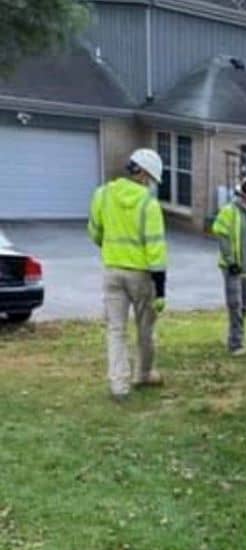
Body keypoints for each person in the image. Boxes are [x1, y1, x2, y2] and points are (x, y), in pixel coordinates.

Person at [88, 148, 167, 401]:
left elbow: (95, 231)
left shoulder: (103, 194)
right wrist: (161, 288)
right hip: (141, 276)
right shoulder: (148, 204)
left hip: (112, 271)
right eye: (152, 178)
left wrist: (110, 249)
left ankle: (118, 386)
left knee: (116, 330)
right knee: (145, 328)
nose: (151, 184)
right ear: (143, 175)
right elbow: (155, 248)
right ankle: (143, 374)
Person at [212, 177, 246, 355]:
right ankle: (235, 344)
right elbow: (222, 237)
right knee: (235, 305)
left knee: (243, 307)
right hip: (232, 268)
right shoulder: (229, 212)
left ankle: (238, 338)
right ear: (242, 195)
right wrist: (230, 261)